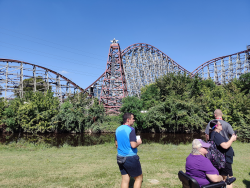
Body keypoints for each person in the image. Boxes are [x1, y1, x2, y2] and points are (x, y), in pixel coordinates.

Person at [115, 113, 143, 188]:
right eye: (133, 118)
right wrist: (139, 142)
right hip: (130, 158)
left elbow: (116, 144)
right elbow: (133, 145)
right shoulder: (131, 129)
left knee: (125, 179)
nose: (133, 120)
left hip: (120, 157)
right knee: (139, 178)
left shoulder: (118, 129)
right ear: (128, 120)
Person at [209, 120, 237, 188]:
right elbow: (225, 146)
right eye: (220, 124)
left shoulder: (214, 134)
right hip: (224, 160)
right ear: (216, 127)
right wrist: (232, 139)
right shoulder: (216, 135)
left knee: (224, 178)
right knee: (229, 179)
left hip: (222, 160)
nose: (221, 125)